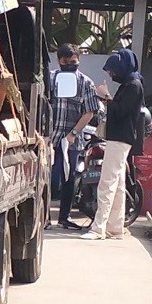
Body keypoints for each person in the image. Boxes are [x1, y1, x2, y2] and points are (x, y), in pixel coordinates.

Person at [81, 48, 144, 240]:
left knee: (106, 183)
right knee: (117, 185)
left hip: (120, 139)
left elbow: (121, 111)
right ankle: (115, 227)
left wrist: (105, 96)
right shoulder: (130, 84)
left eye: (112, 71)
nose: (111, 75)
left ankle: (98, 228)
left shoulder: (133, 85)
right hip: (120, 138)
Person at [48, 43, 99, 230]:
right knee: (47, 179)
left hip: (71, 140)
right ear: (58, 61)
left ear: (79, 60)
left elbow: (90, 111)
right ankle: (45, 217)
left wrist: (73, 134)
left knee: (68, 180)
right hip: (49, 138)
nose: (69, 64)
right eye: (65, 61)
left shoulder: (86, 83)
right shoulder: (51, 79)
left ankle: (64, 217)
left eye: (73, 61)